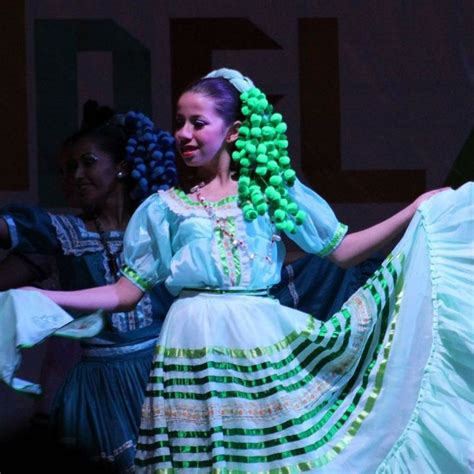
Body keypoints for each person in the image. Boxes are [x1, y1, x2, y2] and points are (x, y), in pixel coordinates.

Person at [5, 69, 472, 472]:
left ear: (232, 131)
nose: (184, 133)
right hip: (187, 351)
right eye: (180, 123)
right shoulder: (162, 209)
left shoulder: (269, 195)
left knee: (264, 458)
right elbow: (125, 293)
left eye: (198, 123)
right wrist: (52, 298)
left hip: (255, 343)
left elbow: (342, 250)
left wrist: (411, 210)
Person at [0, 102, 177, 472]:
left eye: (87, 162)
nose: (75, 176)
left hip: (163, 376)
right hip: (102, 387)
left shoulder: (163, 225)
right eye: (66, 170)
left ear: (122, 166)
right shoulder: (63, 234)